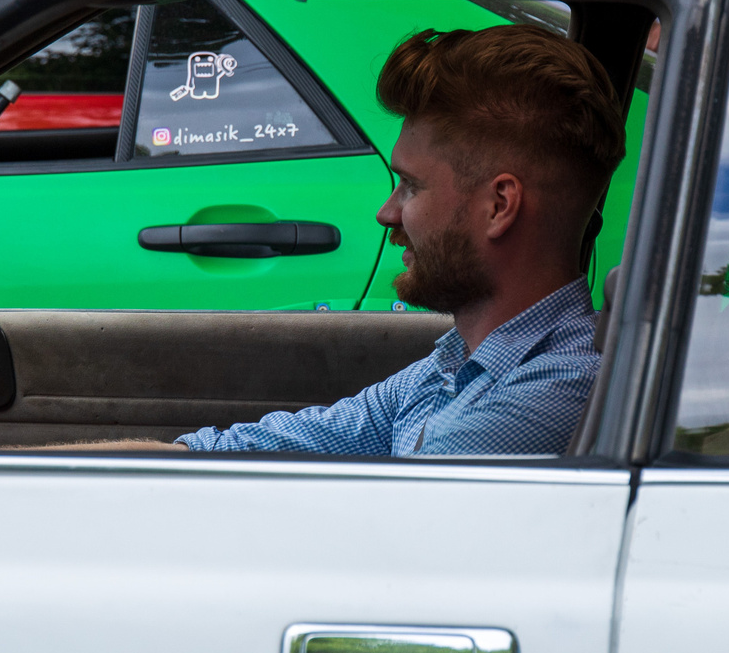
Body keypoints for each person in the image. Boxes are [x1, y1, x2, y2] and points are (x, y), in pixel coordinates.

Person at [174, 25, 626, 457]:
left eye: (411, 185)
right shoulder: (457, 364)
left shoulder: (545, 398)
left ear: (499, 206)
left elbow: (391, 513)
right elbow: (268, 446)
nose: (386, 213)